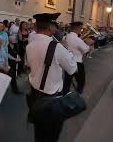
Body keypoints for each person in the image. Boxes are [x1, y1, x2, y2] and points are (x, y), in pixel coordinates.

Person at [26, 13, 77, 142]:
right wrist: (67, 50)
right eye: (55, 25)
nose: (56, 28)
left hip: (35, 96)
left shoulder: (29, 45)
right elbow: (72, 69)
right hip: (52, 100)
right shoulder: (57, 47)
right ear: (50, 27)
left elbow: (29, 65)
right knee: (52, 136)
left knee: (39, 133)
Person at [64, 21, 94, 94]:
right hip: (77, 63)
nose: (81, 30)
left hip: (67, 61)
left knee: (67, 81)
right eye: (81, 28)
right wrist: (89, 44)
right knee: (81, 81)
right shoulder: (77, 39)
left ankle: (64, 95)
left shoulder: (65, 36)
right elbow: (85, 50)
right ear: (78, 28)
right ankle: (77, 95)